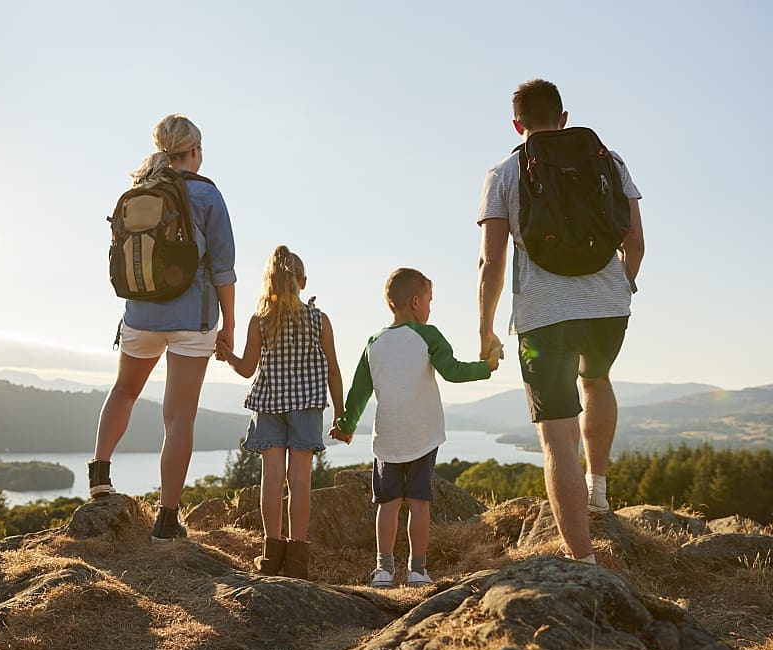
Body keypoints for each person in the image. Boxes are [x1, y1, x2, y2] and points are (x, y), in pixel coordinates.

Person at [476, 79, 645, 563]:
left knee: (555, 436)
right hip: (609, 308)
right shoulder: (609, 162)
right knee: (596, 379)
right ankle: (598, 487)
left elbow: (492, 262)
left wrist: (486, 327)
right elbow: (634, 242)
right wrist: (622, 285)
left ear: (517, 124)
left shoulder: (504, 172)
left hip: (543, 316)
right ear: (564, 117)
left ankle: (583, 562)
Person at [89, 113, 236, 542]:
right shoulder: (207, 195)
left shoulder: (140, 190)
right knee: (179, 417)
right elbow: (223, 270)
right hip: (193, 318)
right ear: (195, 151)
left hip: (140, 314)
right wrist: (227, 326)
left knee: (124, 391)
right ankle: (167, 519)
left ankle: (100, 473)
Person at [331, 268, 498, 587]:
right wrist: (486, 368)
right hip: (423, 435)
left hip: (388, 439)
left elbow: (359, 392)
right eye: (430, 301)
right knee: (420, 503)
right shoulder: (428, 334)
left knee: (388, 505)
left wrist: (346, 426)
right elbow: (453, 371)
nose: (430, 308)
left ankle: (383, 570)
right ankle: (418, 570)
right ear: (416, 301)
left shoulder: (373, 343)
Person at [217, 246, 344, 580]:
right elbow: (332, 370)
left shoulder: (260, 320)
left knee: (271, 481)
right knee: (299, 483)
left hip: (269, 404)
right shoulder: (319, 320)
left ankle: (271, 555)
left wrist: (227, 355)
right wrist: (341, 414)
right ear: (302, 281)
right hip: (307, 406)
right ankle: (298, 559)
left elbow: (246, 369)